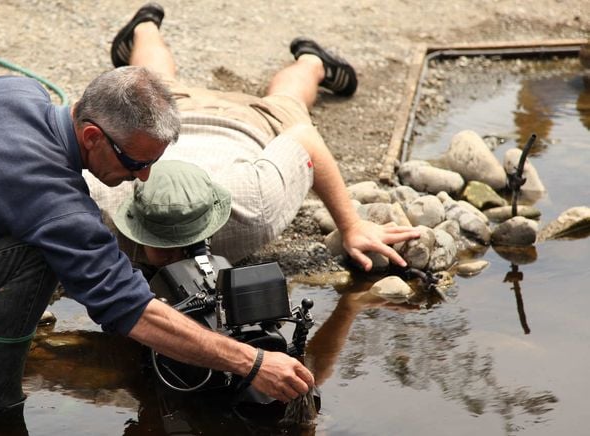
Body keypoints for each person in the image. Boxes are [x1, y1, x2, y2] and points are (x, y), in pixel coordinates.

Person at [0, 67, 313, 414]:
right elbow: (130, 312)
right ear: (94, 135)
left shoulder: (13, 91)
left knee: (22, 284)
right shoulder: (53, 200)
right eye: (135, 163)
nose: (142, 178)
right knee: (39, 254)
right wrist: (248, 360)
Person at [87, 3, 420, 271]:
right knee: (154, 83)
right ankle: (144, 25)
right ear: (135, 218)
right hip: (171, 121)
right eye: (164, 248)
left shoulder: (251, 207)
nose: (178, 259)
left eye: (187, 244)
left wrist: (352, 227)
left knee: (286, 102)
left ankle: (313, 60)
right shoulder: (104, 205)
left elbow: (304, 139)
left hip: (247, 122)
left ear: (212, 219)